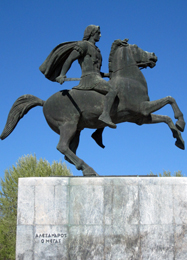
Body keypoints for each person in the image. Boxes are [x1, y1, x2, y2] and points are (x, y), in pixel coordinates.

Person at [39, 25, 117, 128]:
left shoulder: (97, 50)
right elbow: (69, 59)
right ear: (92, 34)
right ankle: (105, 116)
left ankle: (98, 131)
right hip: (89, 79)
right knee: (112, 91)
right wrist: (62, 74)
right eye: (98, 33)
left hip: (96, 77)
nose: (100, 35)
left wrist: (108, 75)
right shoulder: (83, 45)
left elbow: (96, 71)